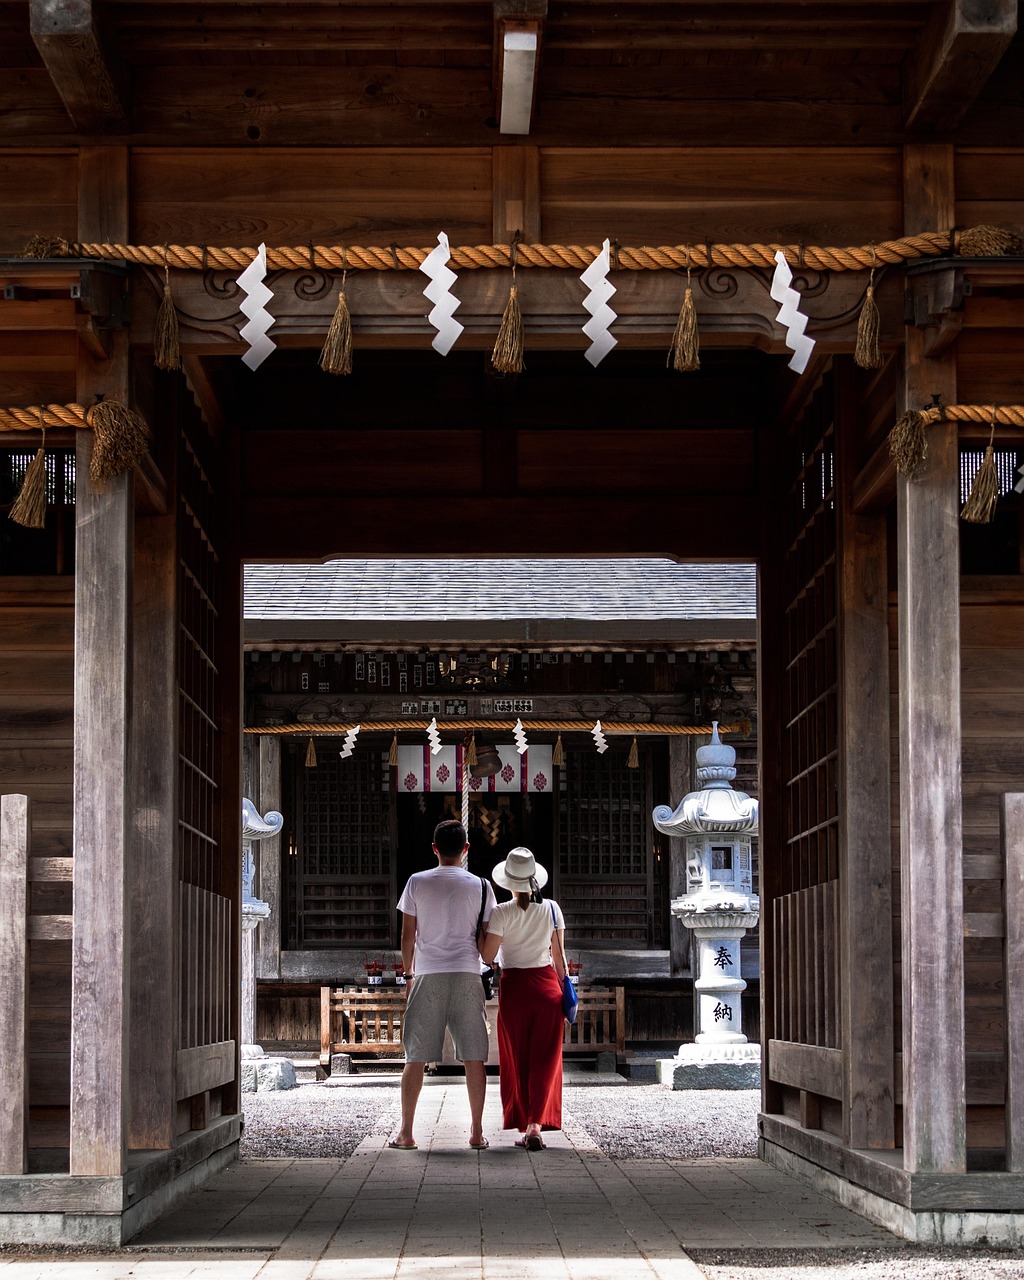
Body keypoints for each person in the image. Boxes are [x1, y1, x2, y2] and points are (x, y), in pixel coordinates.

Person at [390, 818, 497, 1151]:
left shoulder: (416, 882)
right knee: (474, 1057)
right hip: (467, 971)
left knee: (416, 1056)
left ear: (435, 848)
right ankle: (477, 1133)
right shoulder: (481, 886)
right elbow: (486, 937)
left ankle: (407, 1133)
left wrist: (409, 973)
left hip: (428, 972)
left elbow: (408, 934)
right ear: (466, 849)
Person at [480, 846, 567, 1151]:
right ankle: (535, 1126)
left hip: (515, 988)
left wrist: (482, 933)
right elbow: (559, 959)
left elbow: (488, 956)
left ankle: (525, 1120)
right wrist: (565, 992)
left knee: (517, 1059)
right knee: (545, 1060)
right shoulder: (552, 909)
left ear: (508, 882)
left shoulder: (501, 913)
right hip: (547, 989)